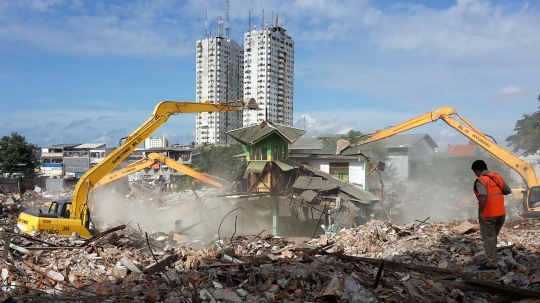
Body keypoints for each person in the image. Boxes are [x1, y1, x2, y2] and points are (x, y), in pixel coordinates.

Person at [471, 160, 511, 270]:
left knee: (489, 239)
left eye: (475, 172)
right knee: (493, 238)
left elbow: (482, 196)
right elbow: (507, 190)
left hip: (489, 215)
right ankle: (491, 259)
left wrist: (480, 214)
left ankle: (491, 263)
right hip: (501, 214)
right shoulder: (496, 177)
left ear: (477, 170)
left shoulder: (481, 180)